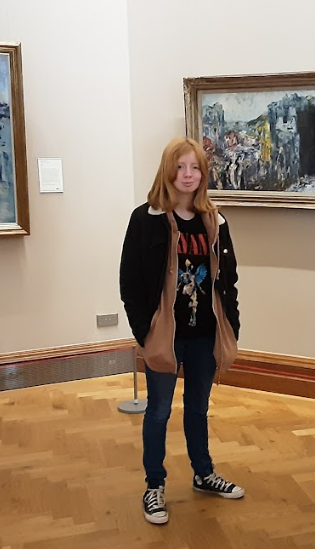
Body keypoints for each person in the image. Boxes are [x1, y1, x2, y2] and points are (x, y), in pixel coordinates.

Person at [119, 136, 244, 525]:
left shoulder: (215, 221)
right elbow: (130, 282)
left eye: (195, 168)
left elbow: (229, 279)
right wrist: (145, 332)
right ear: (167, 171)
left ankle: (203, 473)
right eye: (180, 167)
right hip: (165, 337)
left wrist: (232, 324)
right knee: (158, 411)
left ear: (203, 174)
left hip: (205, 335)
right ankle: (154, 484)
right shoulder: (146, 219)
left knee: (198, 408)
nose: (187, 175)